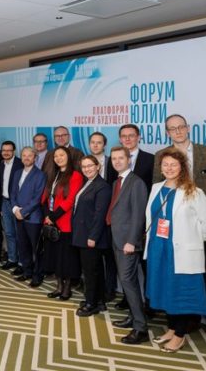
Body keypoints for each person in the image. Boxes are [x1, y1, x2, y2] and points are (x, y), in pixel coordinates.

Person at [153, 114, 206, 349]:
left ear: (188, 128)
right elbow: (158, 191)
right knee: (182, 276)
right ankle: (188, 321)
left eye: (181, 127)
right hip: (177, 230)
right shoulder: (161, 156)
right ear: (167, 132)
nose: (177, 131)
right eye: (172, 128)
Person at [145, 147, 206, 353]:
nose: (169, 168)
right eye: (165, 164)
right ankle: (172, 328)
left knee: (181, 293)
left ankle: (179, 335)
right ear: (161, 168)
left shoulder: (194, 191)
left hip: (181, 252)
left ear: (182, 167)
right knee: (166, 290)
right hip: (159, 248)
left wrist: (191, 240)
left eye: (173, 165)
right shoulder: (156, 188)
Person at [107, 146, 149, 344]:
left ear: (129, 160)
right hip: (117, 239)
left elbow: (139, 216)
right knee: (127, 282)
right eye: (114, 158)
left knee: (128, 282)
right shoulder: (117, 182)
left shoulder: (136, 182)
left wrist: (132, 241)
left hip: (128, 242)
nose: (117, 161)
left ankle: (141, 328)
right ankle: (133, 317)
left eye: (121, 158)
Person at [72, 155, 111, 317]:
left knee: (90, 272)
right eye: (84, 166)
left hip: (91, 236)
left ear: (98, 166)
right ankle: (99, 300)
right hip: (83, 233)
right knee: (95, 270)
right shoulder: (87, 182)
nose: (87, 169)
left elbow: (99, 215)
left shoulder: (102, 187)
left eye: (90, 166)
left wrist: (93, 237)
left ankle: (91, 304)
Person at [42, 146, 83, 301]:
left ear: (68, 157)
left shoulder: (76, 175)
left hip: (65, 222)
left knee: (66, 258)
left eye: (62, 155)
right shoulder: (54, 174)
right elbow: (45, 197)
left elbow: (71, 200)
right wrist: (47, 215)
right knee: (54, 256)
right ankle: (59, 286)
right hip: (51, 221)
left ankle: (67, 288)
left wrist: (53, 216)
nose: (58, 158)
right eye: (56, 156)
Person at [88, 131, 118, 302]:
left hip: (109, 216)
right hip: (90, 217)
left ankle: (110, 289)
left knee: (109, 256)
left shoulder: (112, 162)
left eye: (99, 142)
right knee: (93, 256)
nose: (95, 145)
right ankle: (95, 287)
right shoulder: (84, 164)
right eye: (93, 142)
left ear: (104, 145)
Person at [10, 147, 46, 287]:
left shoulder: (40, 175)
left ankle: (37, 275)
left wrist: (23, 212)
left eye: (29, 155)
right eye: (24, 155)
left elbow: (37, 198)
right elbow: (13, 193)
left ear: (35, 158)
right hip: (18, 215)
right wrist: (15, 209)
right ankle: (27, 271)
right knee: (23, 245)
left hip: (33, 217)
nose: (26, 158)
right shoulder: (17, 173)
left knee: (36, 249)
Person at [0, 141, 23, 272]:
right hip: (4, 202)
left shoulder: (20, 164)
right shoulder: (1, 164)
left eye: (9, 150)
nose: (6, 152)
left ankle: (21, 262)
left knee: (19, 234)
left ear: (14, 151)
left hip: (17, 204)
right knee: (8, 232)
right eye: (4, 150)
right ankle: (12, 259)